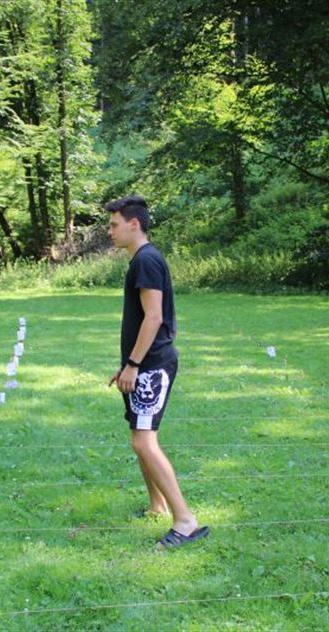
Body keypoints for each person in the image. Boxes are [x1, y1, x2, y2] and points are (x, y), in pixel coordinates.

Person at [106, 196, 209, 549]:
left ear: (134, 224)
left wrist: (134, 365)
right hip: (142, 364)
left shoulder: (146, 260)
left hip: (152, 364)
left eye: (114, 224)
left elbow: (154, 317)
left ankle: (186, 522)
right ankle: (157, 506)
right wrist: (127, 365)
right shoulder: (142, 259)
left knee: (143, 441)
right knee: (141, 437)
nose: (110, 231)